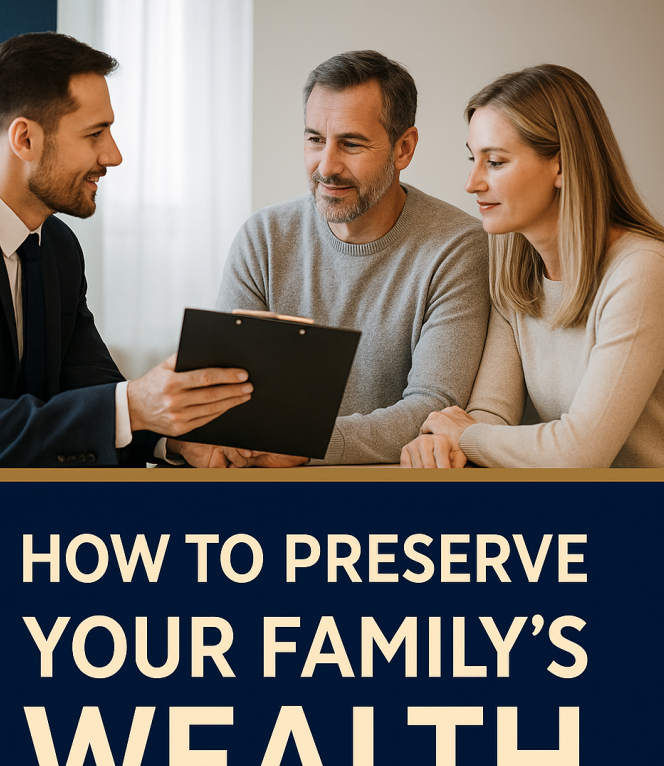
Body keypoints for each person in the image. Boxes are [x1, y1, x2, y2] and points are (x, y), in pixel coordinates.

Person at [0, 32, 253, 467]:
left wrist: (175, 441)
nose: (114, 155)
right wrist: (136, 406)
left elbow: (90, 391)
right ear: (25, 140)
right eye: (95, 133)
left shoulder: (59, 246)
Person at [182, 50, 489, 468]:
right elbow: (227, 397)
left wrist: (302, 442)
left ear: (404, 149)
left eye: (351, 143)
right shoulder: (264, 237)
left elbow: (433, 410)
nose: (326, 166)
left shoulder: (457, 248)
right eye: (315, 139)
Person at [401, 64, 664, 469]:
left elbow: (581, 453)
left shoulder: (643, 272)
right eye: (473, 159)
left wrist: (466, 435)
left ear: (560, 166)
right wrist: (443, 446)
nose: (471, 183)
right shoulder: (517, 275)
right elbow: (490, 415)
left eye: (494, 162)